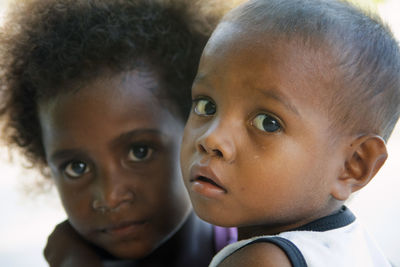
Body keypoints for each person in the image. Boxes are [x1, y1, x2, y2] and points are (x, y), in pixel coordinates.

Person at [0, 0, 237, 266]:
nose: (110, 197)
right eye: (76, 167)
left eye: (140, 152)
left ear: (198, 128)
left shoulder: (267, 251)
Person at [179, 0, 400, 266]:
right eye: (206, 105)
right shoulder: (363, 250)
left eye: (267, 123)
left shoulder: (261, 260)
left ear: (352, 165)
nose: (212, 139)